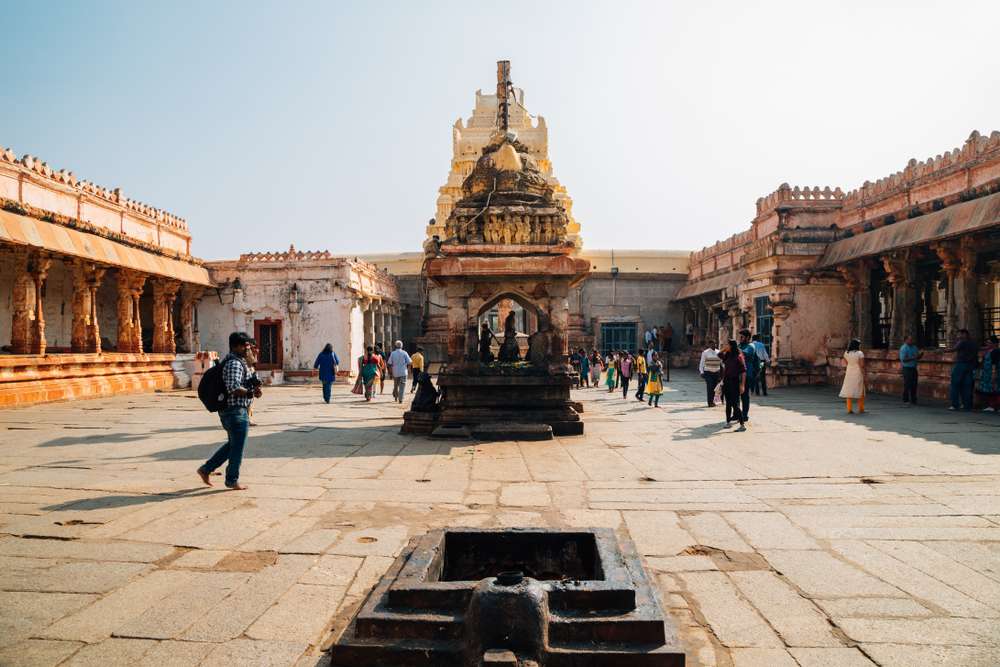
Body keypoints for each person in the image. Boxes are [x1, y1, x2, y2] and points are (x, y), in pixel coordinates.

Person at [197, 332, 261, 490]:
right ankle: (232, 479)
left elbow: (246, 381)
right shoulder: (234, 363)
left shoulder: (242, 362)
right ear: (236, 346)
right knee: (237, 448)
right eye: (245, 346)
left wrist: (253, 383)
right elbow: (233, 387)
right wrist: (249, 392)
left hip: (237, 411)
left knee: (233, 444)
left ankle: (206, 469)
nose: (248, 349)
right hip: (234, 411)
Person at [720, 339, 746, 431]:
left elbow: (743, 372)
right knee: (728, 403)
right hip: (726, 381)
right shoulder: (727, 355)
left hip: (734, 382)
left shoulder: (738, 357)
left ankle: (742, 425)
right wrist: (724, 349)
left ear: (731, 346)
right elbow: (719, 355)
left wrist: (742, 385)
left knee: (735, 404)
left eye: (727, 344)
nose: (726, 346)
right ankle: (727, 422)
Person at [950, 329, 977, 411]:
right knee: (967, 386)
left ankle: (955, 405)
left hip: (961, 364)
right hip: (970, 365)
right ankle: (967, 405)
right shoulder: (973, 343)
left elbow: (953, 349)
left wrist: (941, 350)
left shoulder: (962, 342)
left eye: (959, 334)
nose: (958, 336)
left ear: (964, 334)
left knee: (955, 384)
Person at [840, 338, 866, 414]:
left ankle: (849, 409)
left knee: (849, 389)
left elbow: (845, 363)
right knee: (860, 389)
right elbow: (862, 365)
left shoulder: (846, 353)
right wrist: (864, 373)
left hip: (849, 371)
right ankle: (861, 408)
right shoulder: (860, 353)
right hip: (858, 371)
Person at [738, 330, 758, 422]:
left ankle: (745, 415)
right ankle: (737, 413)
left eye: (742, 337)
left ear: (747, 338)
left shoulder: (751, 346)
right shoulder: (739, 346)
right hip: (737, 374)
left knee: (745, 396)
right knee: (735, 396)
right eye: (740, 337)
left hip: (747, 374)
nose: (740, 339)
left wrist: (734, 348)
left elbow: (744, 353)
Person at [977, 335, 1000, 412]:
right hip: (987, 373)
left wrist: (993, 373)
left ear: (995, 343)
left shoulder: (996, 351)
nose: (988, 344)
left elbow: (994, 363)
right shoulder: (989, 351)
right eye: (987, 343)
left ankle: (996, 406)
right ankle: (991, 405)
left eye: (990, 343)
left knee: (995, 389)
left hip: (993, 372)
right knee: (990, 390)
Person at [699, 339, 722, 407]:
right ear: (709, 345)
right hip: (708, 372)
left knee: (715, 388)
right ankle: (710, 402)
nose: (714, 345)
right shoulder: (705, 352)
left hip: (716, 372)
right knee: (710, 387)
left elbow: (721, 362)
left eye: (715, 344)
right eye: (712, 344)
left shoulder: (719, 352)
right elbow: (702, 363)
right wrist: (701, 372)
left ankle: (714, 401)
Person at [899, 335, 921, 405]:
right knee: (907, 384)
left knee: (914, 384)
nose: (911, 341)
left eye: (912, 339)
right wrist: (913, 357)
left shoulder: (914, 347)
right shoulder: (904, 348)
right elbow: (904, 360)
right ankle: (906, 399)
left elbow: (917, 357)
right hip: (907, 368)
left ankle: (913, 399)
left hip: (913, 367)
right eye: (909, 340)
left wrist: (919, 356)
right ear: (905, 340)